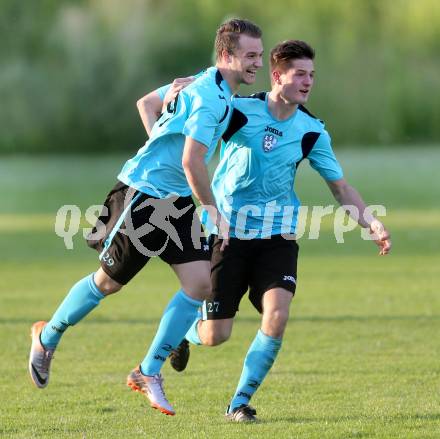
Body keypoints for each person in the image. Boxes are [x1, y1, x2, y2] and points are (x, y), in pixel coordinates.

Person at [28, 18, 264, 416]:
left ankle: (148, 371)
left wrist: (162, 140)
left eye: (259, 54)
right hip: (144, 197)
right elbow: (192, 161)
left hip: (174, 200)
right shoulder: (207, 96)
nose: (256, 62)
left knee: (200, 283)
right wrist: (213, 212)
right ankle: (47, 336)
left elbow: (147, 104)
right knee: (107, 284)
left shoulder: (204, 83)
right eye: (250, 55)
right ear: (227, 55)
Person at [171, 39, 392, 422]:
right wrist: (185, 88)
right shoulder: (238, 111)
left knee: (277, 315)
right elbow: (205, 101)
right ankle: (182, 335)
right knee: (215, 335)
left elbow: (341, 188)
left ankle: (239, 401)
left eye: (312, 75)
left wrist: (370, 220)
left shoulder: (311, 131)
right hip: (228, 234)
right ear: (277, 76)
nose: (308, 82)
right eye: (299, 74)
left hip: (278, 237)